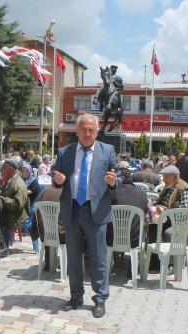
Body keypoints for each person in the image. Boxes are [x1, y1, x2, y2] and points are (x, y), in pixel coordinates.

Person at [52, 113, 119, 318]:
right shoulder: (65, 152)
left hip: (95, 210)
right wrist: (58, 180)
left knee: (98, 257)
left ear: (97, 132)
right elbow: (56, 179)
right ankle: (76, 296)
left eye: (91, 130)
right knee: (73, 256)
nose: (87, 133)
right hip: (72, 210)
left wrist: (113, 181)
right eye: (83, 129)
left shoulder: (107, 151)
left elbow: (118, 177)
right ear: (77, 131)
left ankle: (100, 298)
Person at [106, 168, 153, 278]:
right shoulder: (143, 194)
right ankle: (133, 268)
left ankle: (110, 264)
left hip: (112, 238)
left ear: (121, 178)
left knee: (106, 229)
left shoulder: (110, 194)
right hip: (135, 239)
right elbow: (150, 219)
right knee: (143, 232)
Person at [0, 159, 30, 254]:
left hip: (16, 216)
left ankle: (1, 247)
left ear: (10, 169)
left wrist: (3, 199)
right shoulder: (10, 180)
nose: (1, 171)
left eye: (3, 168)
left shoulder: (18, 184)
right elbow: (7, 194)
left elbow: (17, 205)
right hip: (9, 211)